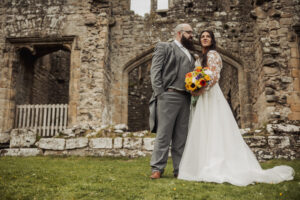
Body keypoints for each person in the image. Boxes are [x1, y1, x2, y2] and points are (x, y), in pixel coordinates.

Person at [178, 30, 294, 186]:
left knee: (214, 127)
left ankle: (216, 164)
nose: (204, 39)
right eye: (202, 37)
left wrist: (200, 89)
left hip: (210, 94)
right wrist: (193, 87)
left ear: (212, 40)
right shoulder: (200, 58)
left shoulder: (213, 55)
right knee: (204, 128)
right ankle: (203, 163)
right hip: (202, 96)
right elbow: (199, 74)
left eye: (208, 37)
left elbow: (214, 76)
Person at [149, 24, 195, 179]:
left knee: (181, 136)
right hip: (168, 95)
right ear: (179, 33)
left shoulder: (190, 54)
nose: (192, 36)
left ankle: (179, 170)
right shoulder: (164, 47)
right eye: (189, 33)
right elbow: (155, 71)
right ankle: (157, 169)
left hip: (186, 97)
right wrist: (160, 93)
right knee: (164, 134)